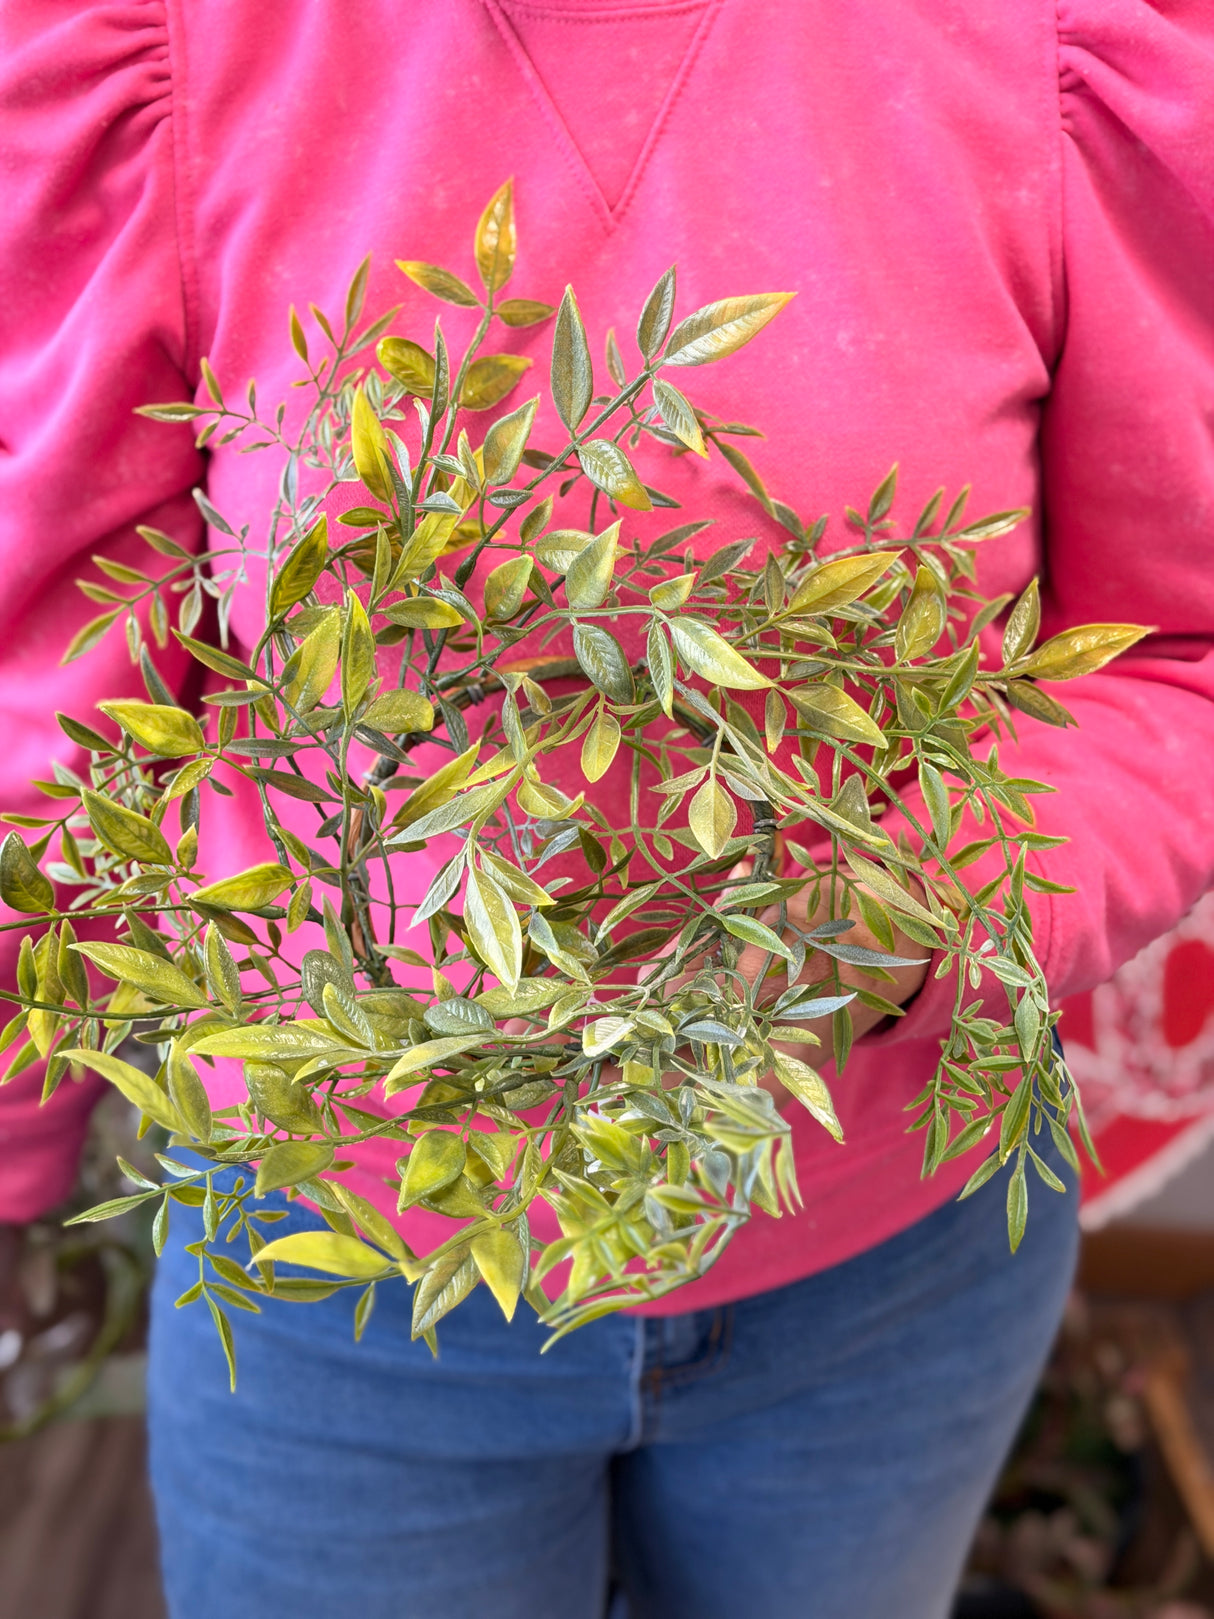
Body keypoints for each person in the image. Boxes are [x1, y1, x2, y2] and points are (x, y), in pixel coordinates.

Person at [1, 2, 1212, 1614]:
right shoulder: (162, 54)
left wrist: (933, 897)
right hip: (345, 1268)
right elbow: (56, 693)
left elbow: (1180, 654)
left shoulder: (1059, 49)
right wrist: (14, 1155)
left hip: (878, 1274)